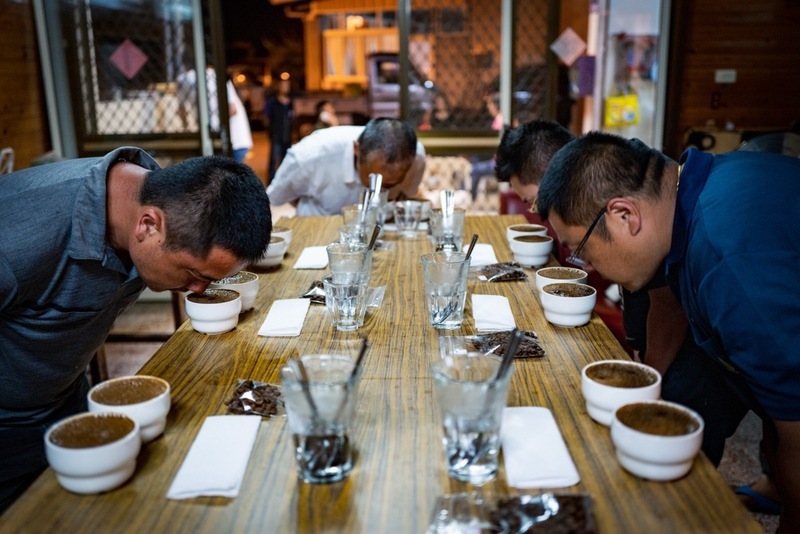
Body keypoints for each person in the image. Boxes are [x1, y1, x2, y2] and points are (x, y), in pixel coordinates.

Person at [536, 132, 800, 531]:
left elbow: (794, 423)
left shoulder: (727, 256)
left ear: (624, 215)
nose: (588, 265)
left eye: (581, 249)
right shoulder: (692, 200)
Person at [0, 149, 272, 512]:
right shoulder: (17, 239)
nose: (199, 291)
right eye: (195, 276)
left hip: (67, 408)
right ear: (148, 225)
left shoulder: (161, 202)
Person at [497, 121, 747, 466]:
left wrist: (644, 379)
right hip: (663, 332)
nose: (537, 212)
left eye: (534, 200)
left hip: (692, 351)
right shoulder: (625, 203)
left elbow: (667, 311)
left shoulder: (668, 226)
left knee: (681, 431)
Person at [266, 118, 426, 216]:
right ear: (356, 150)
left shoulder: (416, 156)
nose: (380, 192)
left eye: (391, 185)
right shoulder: (309, 156)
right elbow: (278, 197)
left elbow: (406, 195)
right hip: (318, 231)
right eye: (374, 180)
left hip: (381, 232)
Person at [264, 77, 294, 184]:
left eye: (287, 85)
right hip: (276, 135)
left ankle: (284, 180)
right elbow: (266, 117)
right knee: (274, 159)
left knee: (286, 159)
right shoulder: (273, 102)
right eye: (283, 85)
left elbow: (292, 117)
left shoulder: (290, 102)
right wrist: (272, 130)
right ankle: (271, 181)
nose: (286, 88)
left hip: (287, 135)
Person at [226, 76, 253, 163]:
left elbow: (233, 110)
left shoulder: (225, 85)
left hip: (237, 142)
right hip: (240, 142)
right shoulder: (231, 90)